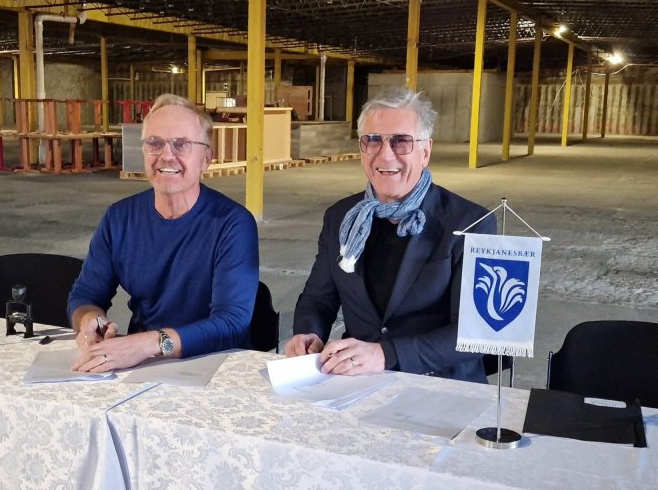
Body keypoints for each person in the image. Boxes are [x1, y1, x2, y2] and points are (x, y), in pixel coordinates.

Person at [285, 87, 496, 382]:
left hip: (441, 384)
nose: (385, 155)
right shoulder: (341, 217)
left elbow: (476, 333)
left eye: (401, 142)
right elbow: (318, 298)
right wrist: (309, 332)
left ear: (425, 151)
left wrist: (386, 354)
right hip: (359, 381)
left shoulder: (471, 223)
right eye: (373, 140)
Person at [68, 93, 259, 372]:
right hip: (140, 364)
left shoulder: (232, 224)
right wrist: (89, 322)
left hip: (214, 364)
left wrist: (148, 344)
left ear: (207, 158)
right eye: (154, 143)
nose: (166, 155)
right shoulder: (119, 218)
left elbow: (231, 323)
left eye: (181, 144)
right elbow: (85, 295)